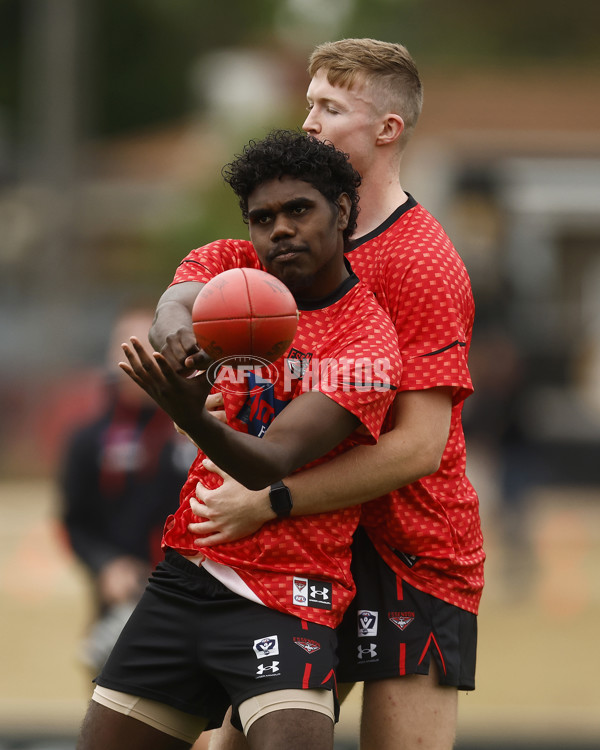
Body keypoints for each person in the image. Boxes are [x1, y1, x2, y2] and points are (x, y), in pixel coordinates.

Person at [150, 39, 484, 750]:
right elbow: (235, 355)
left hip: (409, 551)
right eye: (309, 105)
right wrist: (209, 406)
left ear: (387, 130)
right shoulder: (289, 232)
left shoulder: (421, 261)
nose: (309, 123)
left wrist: (268, 498)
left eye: (331, 107)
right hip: (312, 542)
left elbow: (420, 448)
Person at [75, 129, 402, 750]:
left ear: (343, 209)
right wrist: (184, 350)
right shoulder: (233, 265)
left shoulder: (366, 341)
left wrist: (191, 413)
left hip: (288, 593)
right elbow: (175, 305)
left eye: (299, 210)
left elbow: (272, 461)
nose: (280, 229)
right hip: (188, 573)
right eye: (263, 217)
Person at [60, 307, 197, 675]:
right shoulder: (87, 440)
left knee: (202, 727)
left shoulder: (204, 427)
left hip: (196, 598)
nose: (136, 360)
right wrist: (107, 566)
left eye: (149, 345)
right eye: (125, 347)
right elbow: (74, 524)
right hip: (122, 604)